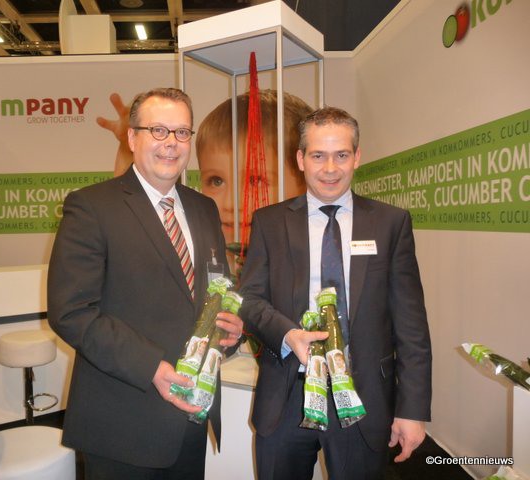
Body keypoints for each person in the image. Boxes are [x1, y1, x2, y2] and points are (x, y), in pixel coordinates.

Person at [48, 87, 243, 480]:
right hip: (125, 420)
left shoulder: (204, 209)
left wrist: (230, 329)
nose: (171, 143)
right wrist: (151, 367)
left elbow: (213, 291)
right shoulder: (92, 207)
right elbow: (71, 313)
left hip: (191, 411)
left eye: (182, 132)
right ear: (132, 138)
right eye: (158, 130)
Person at [239, 106, 432, 479]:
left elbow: (411, 325)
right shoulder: (270, 222)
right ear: (300, 159)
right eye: (318, 156)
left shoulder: (390, 224)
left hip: (363, 399)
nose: (330, 168)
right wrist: (287, 334)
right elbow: (250, 299)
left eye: (341, 155)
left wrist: (412, 409)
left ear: (357, 157)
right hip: (287, 394)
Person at [96, 90, 313, 243]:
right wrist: (129, 149)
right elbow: (136, 216)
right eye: (216, 181)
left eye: (255, 181)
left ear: (307, 183)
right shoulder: (200, 241)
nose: (231, 204)